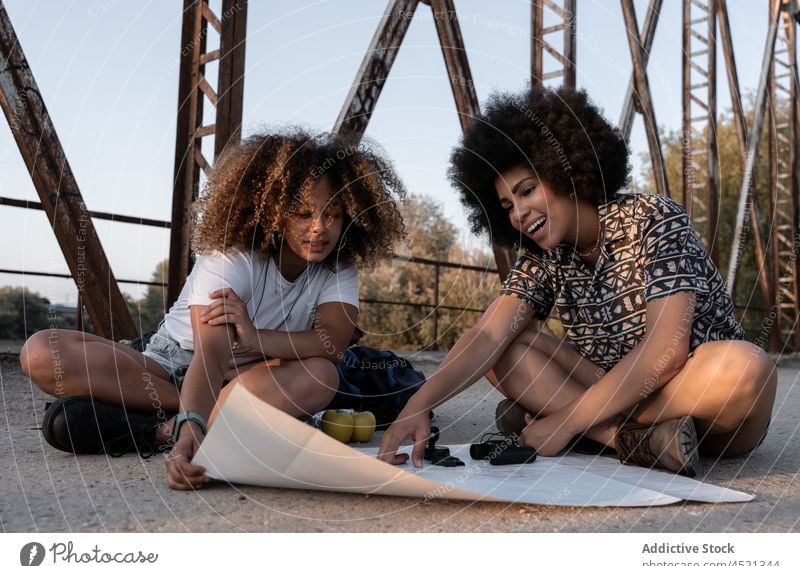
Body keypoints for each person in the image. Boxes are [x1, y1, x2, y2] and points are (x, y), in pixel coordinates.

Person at [378, 86, 776, 476]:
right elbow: (486, 336)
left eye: (527, 190)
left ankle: (579, 425)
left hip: (708, 407)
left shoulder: (654, 219)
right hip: (611, 394)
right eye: (506, 205)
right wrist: (417, 405)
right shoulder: (543, 256)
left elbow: (665, 352)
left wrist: (564, 420)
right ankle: (626, 440)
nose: (518, 213)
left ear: (565, 170)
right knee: (503, 350)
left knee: (744, 367)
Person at [21, 129, 406, 490]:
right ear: (272, 211)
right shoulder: (233, 255)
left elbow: (332, 344)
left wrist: (256, 337)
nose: (319, 228)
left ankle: (154, 424)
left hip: (256, 375)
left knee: (321, 377)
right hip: (169, 363)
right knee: (41, 353)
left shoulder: (338, 266)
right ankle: (188, 417)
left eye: (334, 213)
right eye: (303, 213)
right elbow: (211, 354)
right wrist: (193, 423)